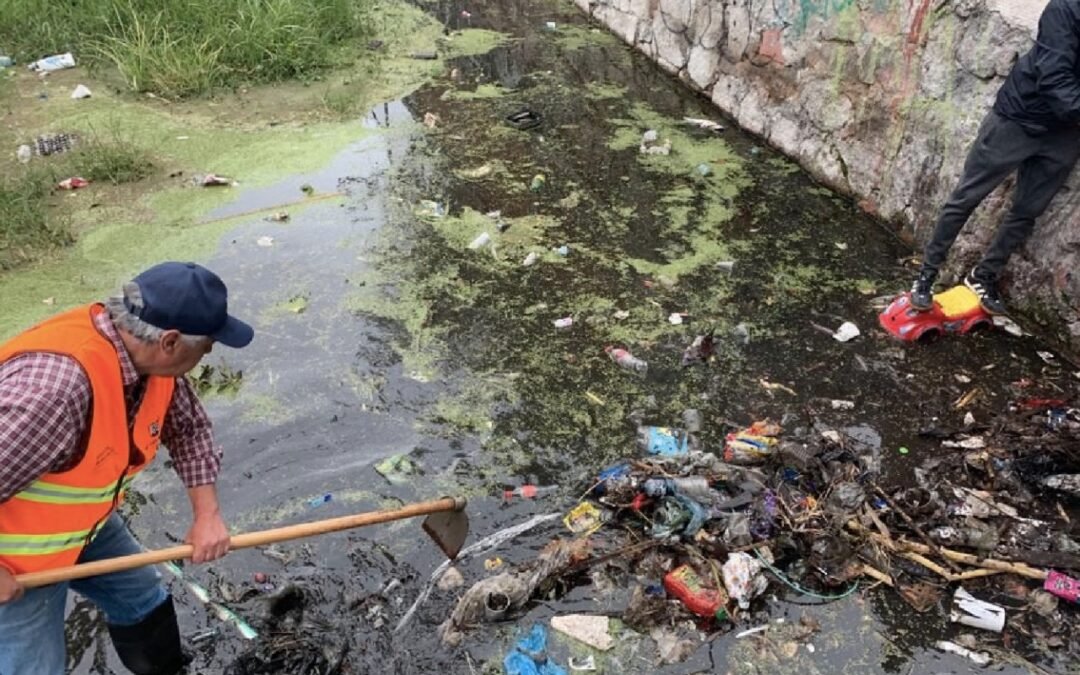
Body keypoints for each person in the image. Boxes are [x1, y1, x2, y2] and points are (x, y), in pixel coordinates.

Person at [0, 261, 254, 675]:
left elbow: (189, 430)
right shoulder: (55, 392)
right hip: (17, 562)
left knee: (141, 598)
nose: (207, 354)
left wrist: (207, 515)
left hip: (85, 527)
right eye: (207, 346)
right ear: (171, 341)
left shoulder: (150, 359)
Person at [911, 0, 1080, 315]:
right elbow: (1054, 78)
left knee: (1027, 211)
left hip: (1065, 133)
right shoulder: (1066, 9)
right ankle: (926, 275)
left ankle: (983, 276)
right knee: (966, 196)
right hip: (1018, 118)